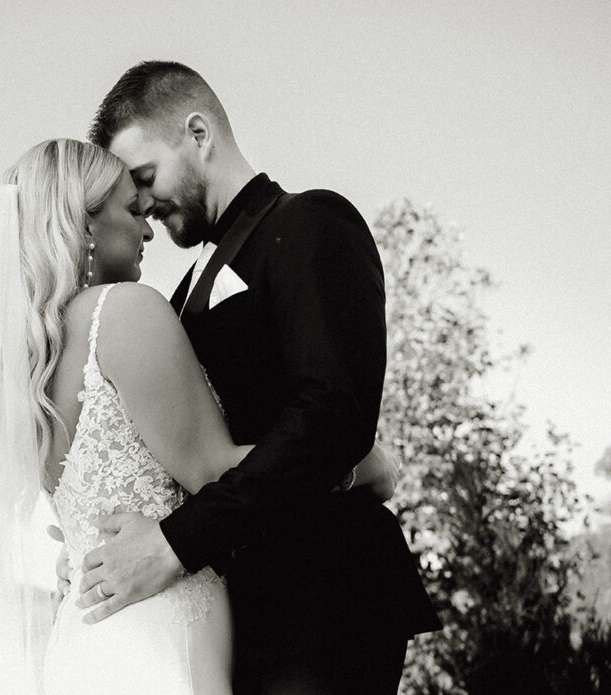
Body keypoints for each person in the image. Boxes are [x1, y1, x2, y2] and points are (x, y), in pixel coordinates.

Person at [0, 137, 403, 695]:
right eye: (132, 212)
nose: (147, 230)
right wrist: (359, 466)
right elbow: (214, 472)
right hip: (159, 632)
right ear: (83, 224)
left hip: (87, 638)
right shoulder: (123, 311)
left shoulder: (27, 360)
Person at [67, 61, 441, 694]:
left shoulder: (311, 222)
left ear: (198, 133)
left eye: (146, 178)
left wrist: (171, 545)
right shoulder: (180, 293)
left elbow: (329, 419)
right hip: (234, 613)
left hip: (322, 600)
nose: (145, 210)